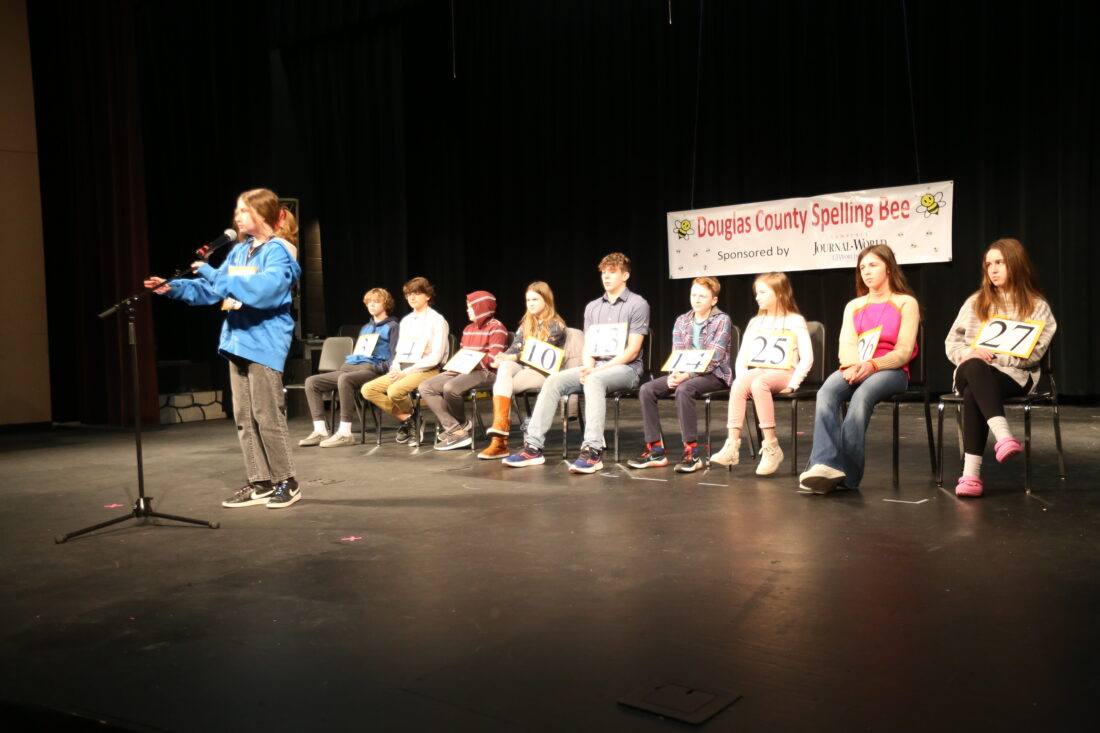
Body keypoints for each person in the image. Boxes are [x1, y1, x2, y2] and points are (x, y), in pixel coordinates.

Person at [144, 188, 303, 508]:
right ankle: (260, 481)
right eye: (237, 210)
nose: (237, 217)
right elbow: (212, 289)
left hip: (264, 341)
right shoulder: (240, 251)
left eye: (244, 210)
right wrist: (174, 287)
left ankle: (287, 481)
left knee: (267, 416)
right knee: (244, 417)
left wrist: (214, 274)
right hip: (236, 341)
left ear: (263, 214)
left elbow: (264, 291)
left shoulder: (278, 251)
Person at [503, 252, 649, 474]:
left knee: (594, 380)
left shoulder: (637, 304)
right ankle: (532, 447)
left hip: (626, 369)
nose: (606, 277)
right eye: (603, 273)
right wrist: (589, 366)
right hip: (596, 367)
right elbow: (589, 346)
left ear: (625, 275)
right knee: (554, 381)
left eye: (612, 272)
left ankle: (592, 450)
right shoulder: (592, 307)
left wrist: (598, 370)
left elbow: (633, 350)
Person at [800, 244, 919, 494]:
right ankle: (823, 464)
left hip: (892, 370)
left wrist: (873, 365)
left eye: (873, 265)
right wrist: (853, 366)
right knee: (826, 392)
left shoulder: (905, 302)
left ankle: (848, 475)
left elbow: (904, 351)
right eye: (862, 267)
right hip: (856, 366)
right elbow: (847, 343)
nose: (866, 272)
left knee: (862, 396)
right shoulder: (854, 305)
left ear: (889, 268)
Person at [944, 238, 1057, 497]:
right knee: (974, 365)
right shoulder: (975, 302)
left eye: (1000, 263)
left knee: (974, 393)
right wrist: (970, 354)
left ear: (1016, 265)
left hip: (1015, 376)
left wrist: (994, 359)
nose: (993, 270)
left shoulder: (1037, 307)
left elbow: (1034, 355)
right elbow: (952, 342)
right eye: (988, 265)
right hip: (969, 370)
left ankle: (971, 476)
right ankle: (1003, 436)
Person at [710, 272, 813, 475]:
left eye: (763, 292)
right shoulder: (756, 322)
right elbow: (742, 357)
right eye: (757, 293)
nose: (757, 297)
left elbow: (807, 357)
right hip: (760, 370)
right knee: (739, 384)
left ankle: (771, 447)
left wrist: (794, 383)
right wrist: (742, 379)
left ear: (780, 293)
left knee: (760, 384)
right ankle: (731, 446)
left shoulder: (795, 321)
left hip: (785, 372)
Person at [627, 277, 732, 472]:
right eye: (694, 295)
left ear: (714, 300)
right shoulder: (682, 321)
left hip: (714, 374)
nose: (697, 299)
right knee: (647, 389)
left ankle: (692, 452)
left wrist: (688, 376)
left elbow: (715, 357)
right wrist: (675, 373)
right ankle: (655, 450)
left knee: (684, 389)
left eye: (702, 296)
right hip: (685, 373)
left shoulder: (721, 320)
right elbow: (678, 353)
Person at [298, 288, 399, 448]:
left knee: (345, 379)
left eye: (376, 301)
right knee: (312, 382)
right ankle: (320, 431)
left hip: (371, 370)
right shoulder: (366, 327)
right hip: (351, 367)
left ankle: (345, 433)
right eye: (369, 302)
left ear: (386, 304)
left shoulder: (393, 326)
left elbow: (395, 357)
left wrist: (378, 368)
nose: (371, 305)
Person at [478, 281, 567, 459]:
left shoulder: (556, 325)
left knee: (504, 383)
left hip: (543, 371)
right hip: (523, 367)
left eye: (535, 299)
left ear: (546, 300)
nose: (531, 304)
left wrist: (513, 357)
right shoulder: (526, 323)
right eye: (528, 300)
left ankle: (499, 442)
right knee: (504, 367)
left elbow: (539, 355)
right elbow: (515, 347)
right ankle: (500, 427)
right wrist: (502, 357)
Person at [360, 277, 448, 446]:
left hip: (427, 369)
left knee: (394, 391)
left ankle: (411, 421)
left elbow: (435, 357)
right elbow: (400, 351)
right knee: (368, 389)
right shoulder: (407, 321)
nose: (412, 297)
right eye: (409, 294)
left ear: (428, 296)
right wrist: (395, 367)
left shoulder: (437, 321)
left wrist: (406, 372)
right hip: (404, 368)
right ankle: (411, 418)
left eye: (417, 293)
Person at [420, 291, 509, 450]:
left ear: (481, 307)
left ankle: (459, 427)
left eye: (471, 307)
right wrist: (458, 363)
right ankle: (456, 429)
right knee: (426, 387)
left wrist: (472, 360)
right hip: (464, 370)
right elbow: (463, 353)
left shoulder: (497, 328)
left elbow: (494, 359)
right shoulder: (468, 329)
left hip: (487, 372)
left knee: (450, 387)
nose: (468, 310)